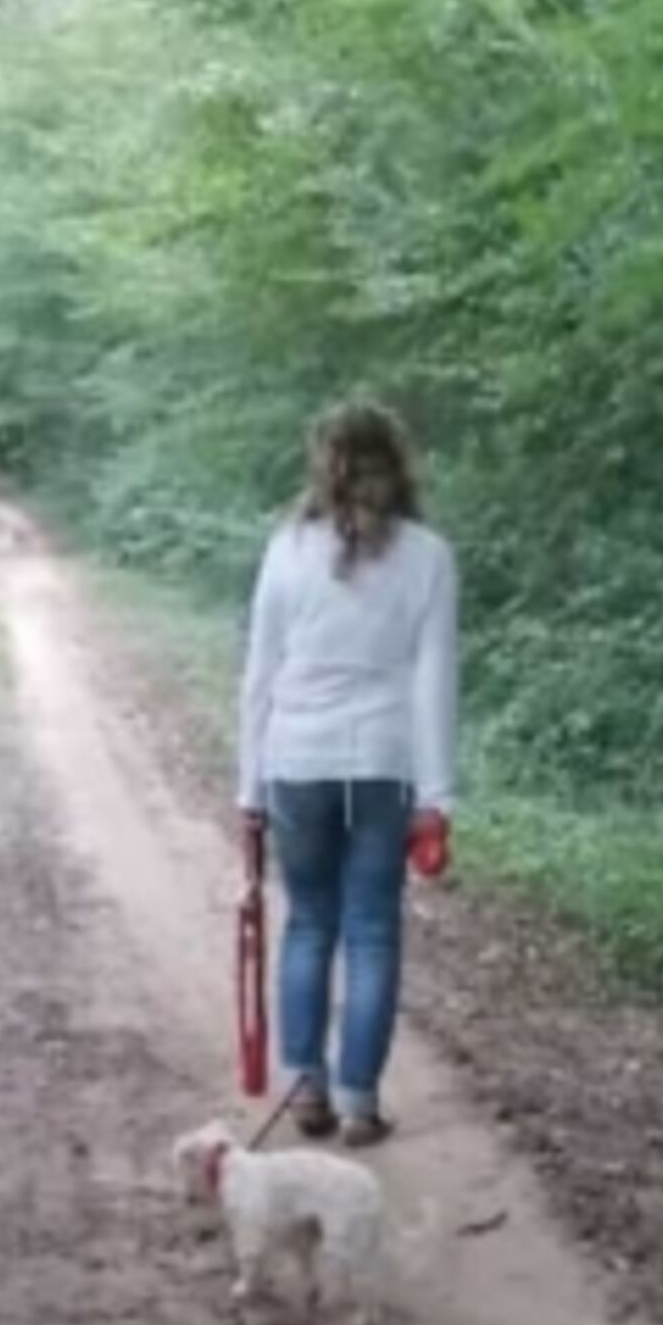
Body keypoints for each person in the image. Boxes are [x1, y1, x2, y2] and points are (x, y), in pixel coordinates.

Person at [236, 400, 457, 1148]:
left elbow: (260, 675)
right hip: (384, 767)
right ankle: (360, 1100)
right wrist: (436, 795)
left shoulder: (286, 548)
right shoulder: (429, 556)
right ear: (397, 465)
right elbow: (433, 681)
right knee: (371, 932)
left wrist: (249, 788)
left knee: (309, 923)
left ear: (322, 466)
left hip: (296, 760)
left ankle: (308, 1089)